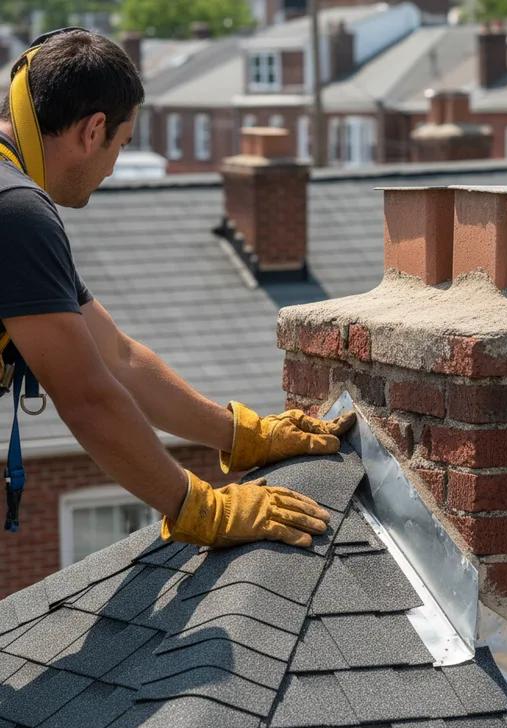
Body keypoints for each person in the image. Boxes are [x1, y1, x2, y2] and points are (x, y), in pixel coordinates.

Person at [0, 28, 354, 549]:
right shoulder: (18, 212)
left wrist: (242, 435)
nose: (113, 165)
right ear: (93, 130)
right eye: (120, 145)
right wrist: (199, 507)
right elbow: (88, 398)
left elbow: (117, 357)